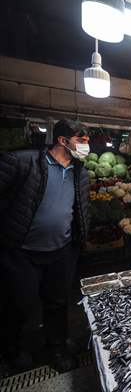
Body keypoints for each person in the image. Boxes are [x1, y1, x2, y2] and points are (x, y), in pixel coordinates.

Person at [0, 119, 90, 372]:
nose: (86, 144)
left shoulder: (79, 172)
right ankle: (11, 351)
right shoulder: (21, 162)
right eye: (81, 140)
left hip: (61, 250)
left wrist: (79, 240)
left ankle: (57, 348)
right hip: (22, 252)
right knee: (19, 303)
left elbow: (80, 209)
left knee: (58, 302)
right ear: (63, 140)